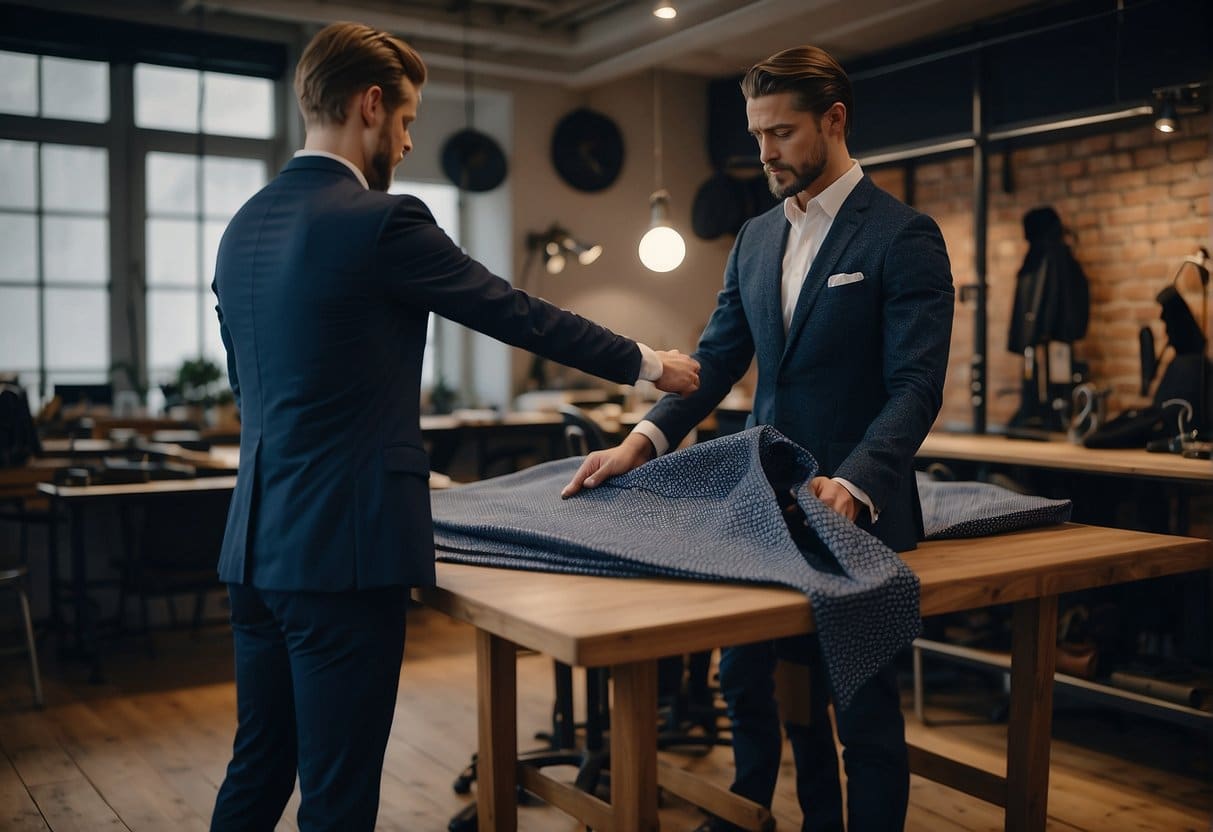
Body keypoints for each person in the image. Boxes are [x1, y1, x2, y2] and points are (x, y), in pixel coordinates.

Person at [208, 21, 700, 832]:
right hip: (342, 553)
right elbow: (509, 310)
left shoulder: (242, 229)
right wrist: (650, 364)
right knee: (337, 791)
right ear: (370, 105)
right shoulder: (380, 221)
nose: (404, 143)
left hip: (253, 546)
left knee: (258, 765)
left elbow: (251, 388)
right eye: (404, 122)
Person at [562, 45, 954, 832]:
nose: (764, 152)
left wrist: (854, 480)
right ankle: (755, 814)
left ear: (834, 121)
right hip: (762, 510)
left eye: (781, 133)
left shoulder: (902, 236)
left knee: (860, 710)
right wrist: (639, 442)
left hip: (857, 516)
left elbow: (915, 386)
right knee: (748, 682)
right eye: (756, 133)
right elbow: (711, 366)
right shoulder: (752, 239)